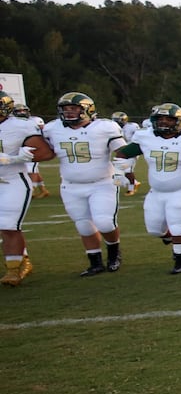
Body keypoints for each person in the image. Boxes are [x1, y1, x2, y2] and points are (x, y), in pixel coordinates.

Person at [39, 93, 128, 276]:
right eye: (65, 109)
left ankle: (114, 252)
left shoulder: (105, 127)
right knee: (83, 225)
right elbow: (42, 150)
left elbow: (122, 154)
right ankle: (94, 261)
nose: (69, 112)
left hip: (102, 183)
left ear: (88, 109)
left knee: (104, 223)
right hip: (71, 185)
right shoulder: (52, 128)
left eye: (73, 108)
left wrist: (120, 178)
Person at [113, 103, 181, 274]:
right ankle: (172, 238)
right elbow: (123, 153)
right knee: (154, 229)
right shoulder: (146, 137)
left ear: (178, 121)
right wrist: (120, 172)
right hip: (156, 191)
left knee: (179, 226)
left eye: (168, 119)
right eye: (160, 119)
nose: (163, 122)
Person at [0, 92, 48, 285]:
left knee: (8, 225)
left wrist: (18, 158)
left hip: (12, 180)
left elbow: (45, 152)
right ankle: (23, 260)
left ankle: (13, 270)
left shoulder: (20, 126)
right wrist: (10, 157)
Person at [110, 110, 141, 195]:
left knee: (127, 170)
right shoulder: (114, 128)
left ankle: (131, 188)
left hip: (131, 150)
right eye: (115, 120)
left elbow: (139, 136)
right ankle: (134, 183)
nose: (116, 122)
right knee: (118, 169)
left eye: (118, 120)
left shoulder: (132, 126)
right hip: (121, 151)